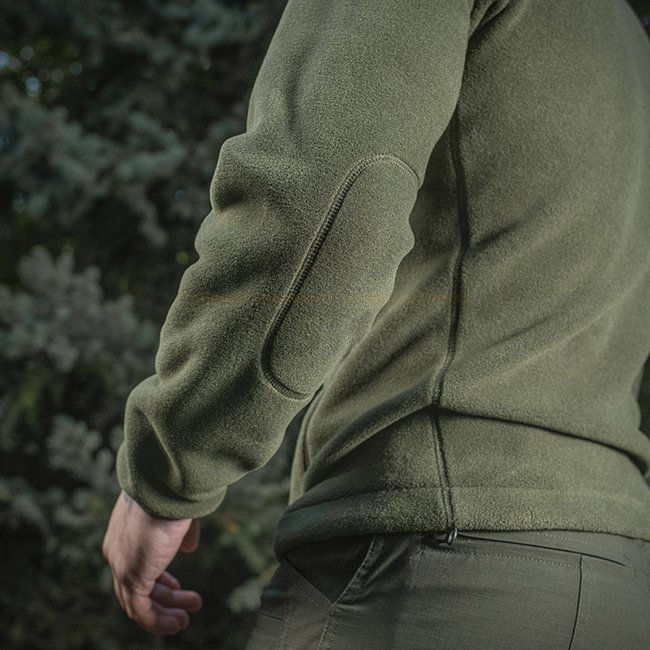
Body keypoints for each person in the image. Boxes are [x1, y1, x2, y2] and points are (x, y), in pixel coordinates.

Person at [102, 0, 650, 647]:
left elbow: (322, 208)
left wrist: (166, 473)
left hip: (423, 568)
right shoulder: (625, 41)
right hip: (615, 578)